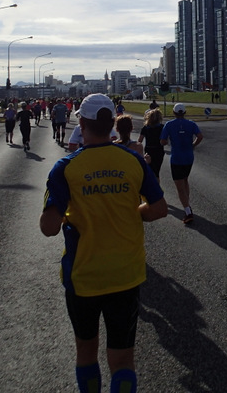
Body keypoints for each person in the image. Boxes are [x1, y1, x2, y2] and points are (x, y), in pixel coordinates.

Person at [40, 94, 167, 393]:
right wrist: (135, 212)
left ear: (81, 123)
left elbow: (48, 228)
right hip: (125, 273)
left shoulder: (65, 167)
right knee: (122, 359)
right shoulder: (133, 160)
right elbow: (159, 209)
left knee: (86, 351)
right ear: (112, 124)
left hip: (83, 276)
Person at [160, 103, 203, 224]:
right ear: (184, 112)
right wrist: (193, 145)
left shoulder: (169, 125)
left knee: (179, 186)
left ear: (174, 113)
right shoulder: (191, 124)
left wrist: (168, 141)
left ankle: (188, 211)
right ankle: (187, 204)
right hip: (189, 157)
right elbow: (200, 136)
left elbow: (163, 141)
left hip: (177, 158)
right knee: (185, 180)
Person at [138, 109, 165, 183]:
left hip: (149, 150)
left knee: (150, 171)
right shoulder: (162, 127)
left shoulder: (146, 128)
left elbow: (140, 140)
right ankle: (157, 187)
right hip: (159, 150)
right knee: (156, 172)